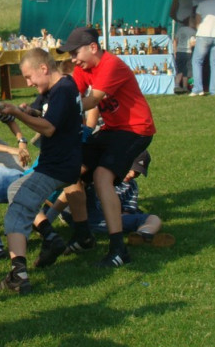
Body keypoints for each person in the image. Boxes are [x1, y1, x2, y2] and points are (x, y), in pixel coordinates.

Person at [58, 27, 156, 268]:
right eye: (70, 55)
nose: (73, 60)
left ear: (93, 47)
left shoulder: (111, 64)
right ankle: (84, 235)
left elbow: (91, 100)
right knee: (72, 166)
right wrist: (42, 103)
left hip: (136, 129)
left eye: (75, 53)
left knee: (102, 175)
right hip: (113, 130)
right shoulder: (83, 68)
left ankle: (118, 249)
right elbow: (72, 92)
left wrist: (59, 109)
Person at [0, 48, 82, 294]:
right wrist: (26, 110)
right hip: (59, 164)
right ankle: (50, 238)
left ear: (44, 68)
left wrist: (18, 113)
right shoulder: (53, 90)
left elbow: (49, 128)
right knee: (15, 188)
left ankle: (18, 276)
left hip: (57, 167)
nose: (28, 83)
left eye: (29, 77)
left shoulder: (63, 90)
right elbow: (41, 111)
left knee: (14, 216)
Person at [57, 151, 175, 247]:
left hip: (110, 219)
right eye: (131, 170)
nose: (132, 175)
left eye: (137, 173)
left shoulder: (131, 186)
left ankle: (143, 234)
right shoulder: (100, 174)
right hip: (88, 215)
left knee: (153, 218)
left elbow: (128, 209)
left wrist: (123, 214)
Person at [173, 17, 196, 92]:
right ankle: (185, 86)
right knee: (186, 70)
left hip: (179, 52)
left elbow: (175, 41)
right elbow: (192, 43)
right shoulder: (193, 31)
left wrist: (175, 51)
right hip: (188, 52)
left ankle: (176, 85)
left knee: (179, 70)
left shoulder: (180, 30)